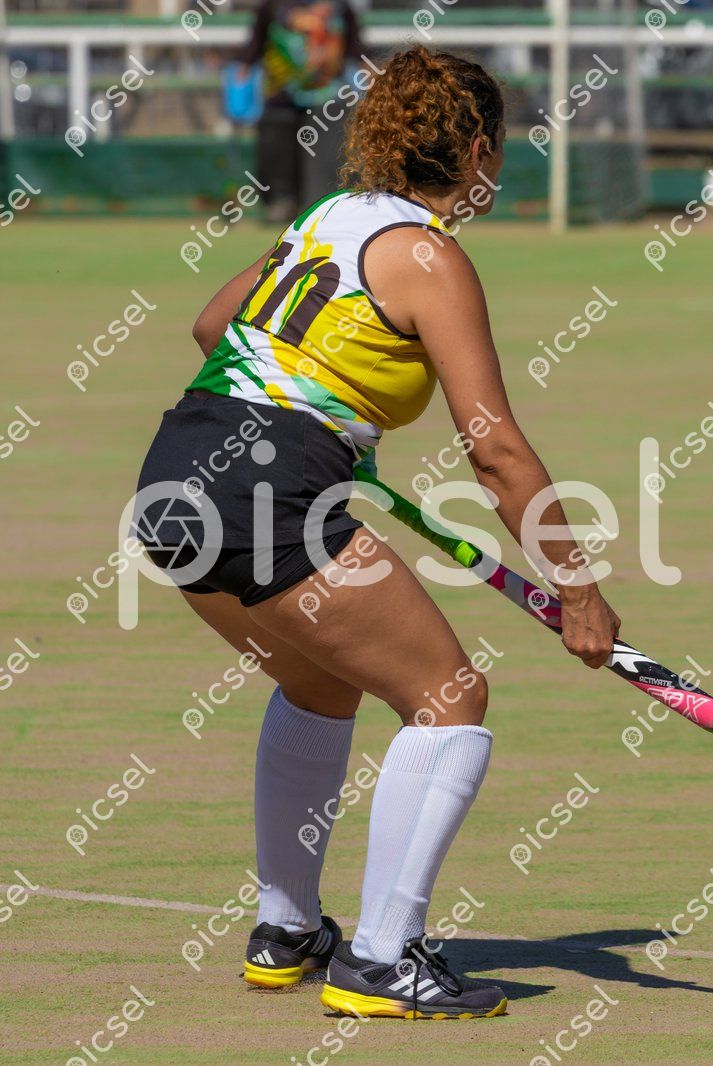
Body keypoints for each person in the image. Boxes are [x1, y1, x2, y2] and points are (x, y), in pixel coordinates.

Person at [133, 45, 620, 1020]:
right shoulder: (432, 257)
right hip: (268, 492)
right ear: (477, 150)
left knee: (320, 683)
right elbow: (495, 452)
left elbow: (212, 325)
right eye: (499, 146)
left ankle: (286, 931)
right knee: (449, 696)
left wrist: (325, 416)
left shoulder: (326, 218)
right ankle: (381, 960)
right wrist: (578, 587)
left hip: (173, 478)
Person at [238, 0, 364, 220]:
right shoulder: (273, 5)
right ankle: (282, 202)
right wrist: (245, 66)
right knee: (279, 153)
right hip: (281, 97)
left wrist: (365, 65)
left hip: (326, 98)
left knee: (325, 155)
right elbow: (257, 39)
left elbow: (355, 45)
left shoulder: (340, 6)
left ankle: (321, 205)